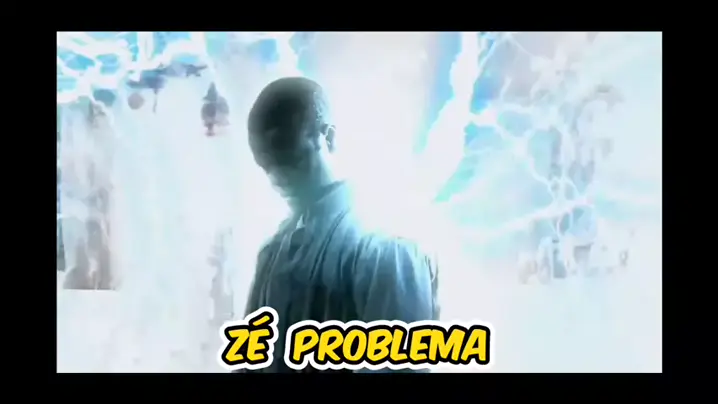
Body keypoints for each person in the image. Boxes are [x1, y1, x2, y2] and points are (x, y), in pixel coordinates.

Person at [238, 77, 440, 373]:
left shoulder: (386, 246)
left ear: (328, 138)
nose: (276, 174)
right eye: (264, 160)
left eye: (287, 152)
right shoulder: (272, 252)